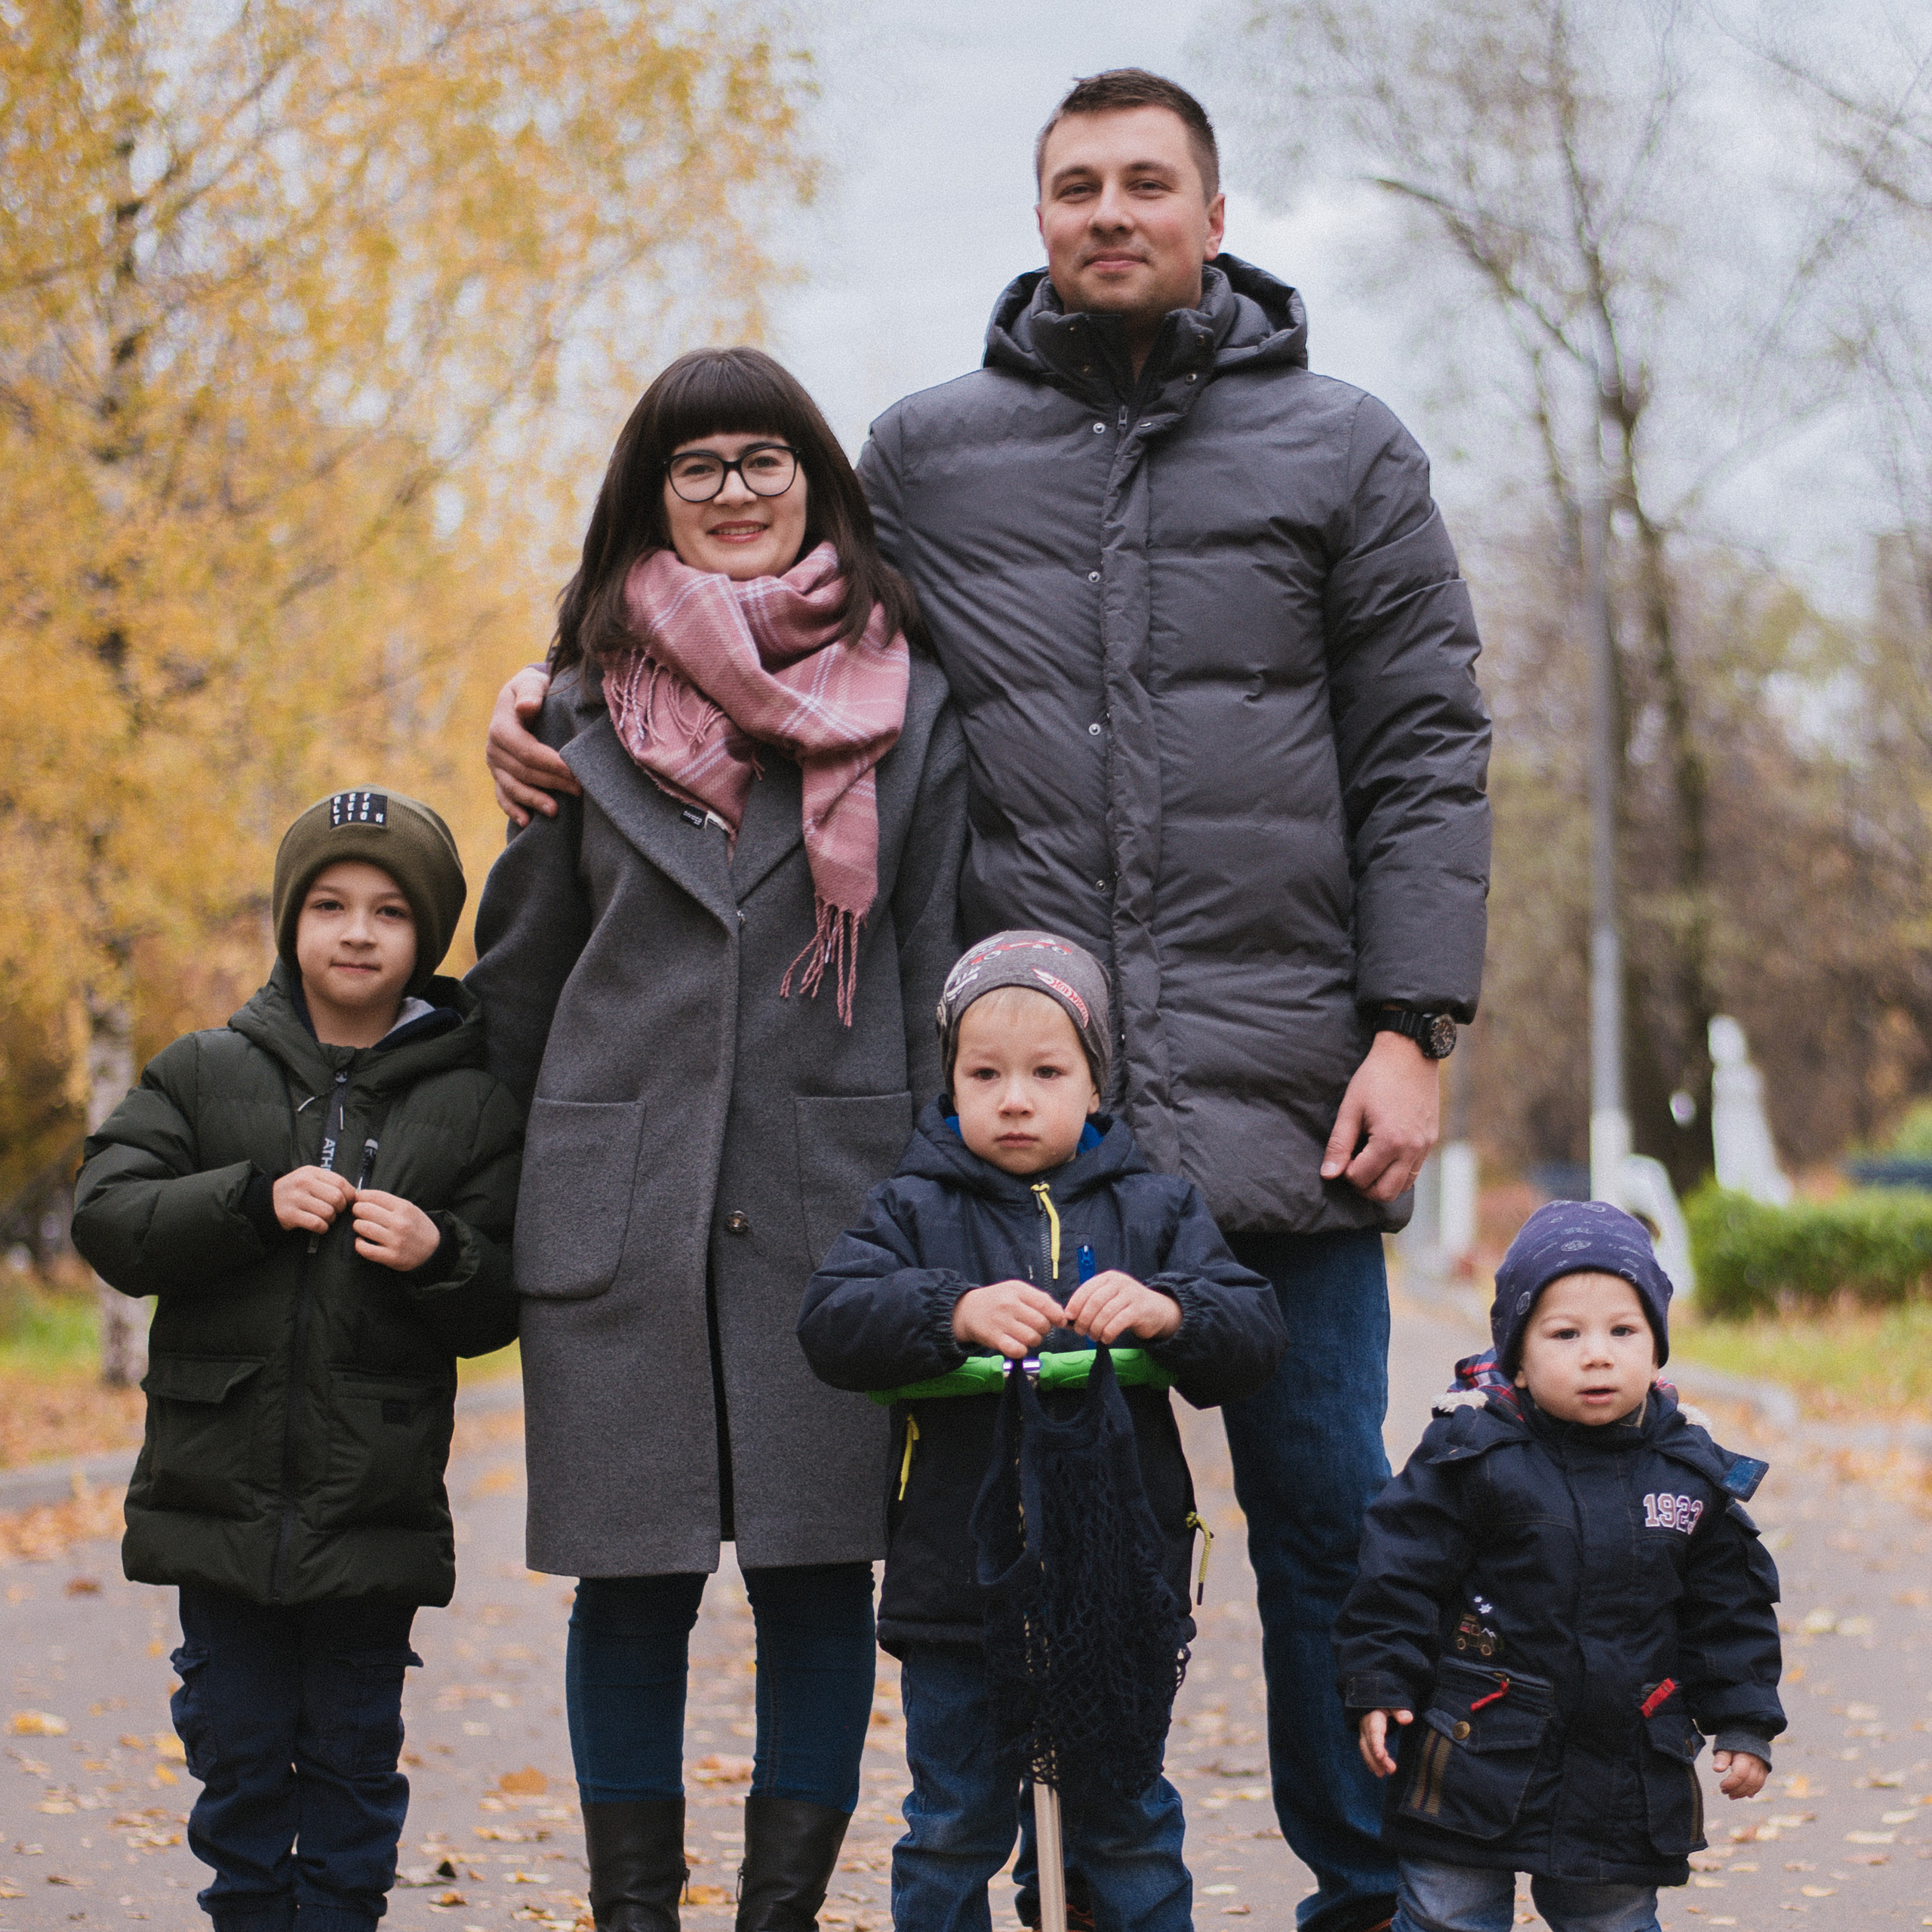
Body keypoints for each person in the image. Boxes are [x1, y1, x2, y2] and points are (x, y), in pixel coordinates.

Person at [483, 69, 1490, 1932]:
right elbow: (764, 624)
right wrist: (545, 697)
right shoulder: (929, 455)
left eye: (1143, 182)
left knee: (1330, 1527)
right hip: (1011, 1138)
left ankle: (1379, 1899)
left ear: (1208, 205)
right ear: (1038, 215)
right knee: (1006, 1567)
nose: (1107, 212)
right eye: (1073, 185)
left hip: (1288, 1105)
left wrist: (1409, 1023)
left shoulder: (1345, 446)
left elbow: (1425, 750)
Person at [465, 346, 965, 1932]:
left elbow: (943, 962)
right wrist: (471, 1200)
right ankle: (632, 1914)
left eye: (764, 460)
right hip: (616, 1206)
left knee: (818, 1578)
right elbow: (516, 984)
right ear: (651, 496)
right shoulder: (566, 707)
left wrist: (947, 1205)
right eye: (699, 467)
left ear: (815, 482)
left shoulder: (907, 702)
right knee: (631, 1584)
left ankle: (776, 1915)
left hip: (837, 1201)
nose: (735, 491)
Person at [71, 789, 523, 1932]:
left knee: (354, 1759)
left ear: (426, 936)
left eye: (388, 910)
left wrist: (441, 1249)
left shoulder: (472, 1103)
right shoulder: (207, 1071)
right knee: (239, 1749)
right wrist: (246, 1202)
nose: (357, 931)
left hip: (370, 1507)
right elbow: (109, 1217)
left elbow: (502, 1297)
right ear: (292, 923)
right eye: (329, 904)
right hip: (215, 1500)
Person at [797, 930, 1289, 1932]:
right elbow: (831, 1323)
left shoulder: (1159, 1209)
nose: (1014, 1096)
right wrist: (952, 1313)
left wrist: (1170, 1311)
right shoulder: (910, 1208)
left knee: (1127, 1824)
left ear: (1095, 1084)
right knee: (953, 1825)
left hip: (1117, 1592)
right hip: (959, 1591)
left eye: (1045, 1071)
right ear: (953, 1081)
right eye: (985, 1073)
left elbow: (1254, 1333)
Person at [1335, 1201, 1785, 1932]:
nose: (1597, 1353)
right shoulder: (1470, 1453)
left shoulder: (1687, 1472)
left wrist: (1743, 1721)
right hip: (1473, 1751)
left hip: (1621, 1770)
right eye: (1564, 1333)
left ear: (1657, 1344)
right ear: (1517, 1351)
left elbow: (1728, 1611)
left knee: (1610, 1920)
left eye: (1622, 1331)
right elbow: (1397, 1575)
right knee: (1448, 1914)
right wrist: (1380, 1680)